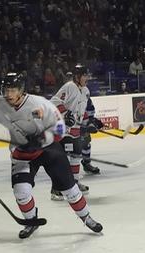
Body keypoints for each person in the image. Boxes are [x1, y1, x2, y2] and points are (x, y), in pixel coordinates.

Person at [0, 72, 103, 239]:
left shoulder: (38, 104)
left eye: (13, 90)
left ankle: (86, 218)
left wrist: (41, 139)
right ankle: (31, 221)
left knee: (69, 189)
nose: (8, 94)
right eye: (6, 90)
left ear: (21, 90)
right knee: (21, 192)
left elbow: (59, 128)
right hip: (22, 154)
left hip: (49, 150)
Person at [49, 64, 97, 201]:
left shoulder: (86, 90)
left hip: (75, 130)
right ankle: (56, 189)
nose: (86, 78)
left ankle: (74, 183)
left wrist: (90, 123)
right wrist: (66, 114)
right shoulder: (69, 86)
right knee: (62, 160)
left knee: (76, 156)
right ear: (77, 76)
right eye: (84, 75)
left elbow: (83, 111)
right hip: (63, 130)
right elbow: (54, 102)